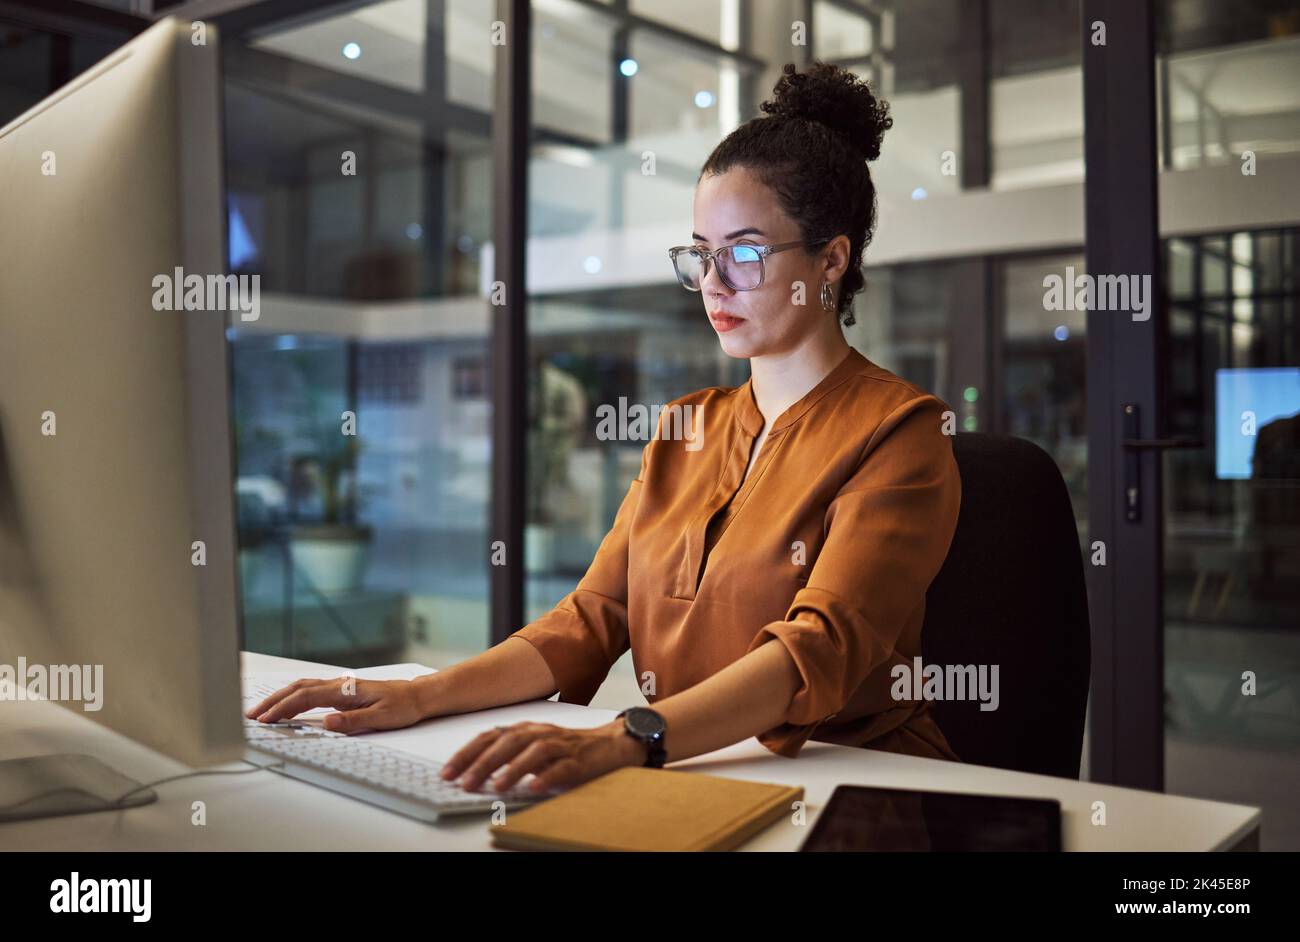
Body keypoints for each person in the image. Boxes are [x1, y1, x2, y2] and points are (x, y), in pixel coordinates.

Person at [247, 61, 962, 797]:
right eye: (701, 255)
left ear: (831, 259)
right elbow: (594, 616)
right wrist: (417, 695)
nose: (714, 282)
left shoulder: (902, 432)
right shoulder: (688, 425)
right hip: (693, 771)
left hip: (853, 788)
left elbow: (818, 651)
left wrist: (631, 738)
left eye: (746, 253)